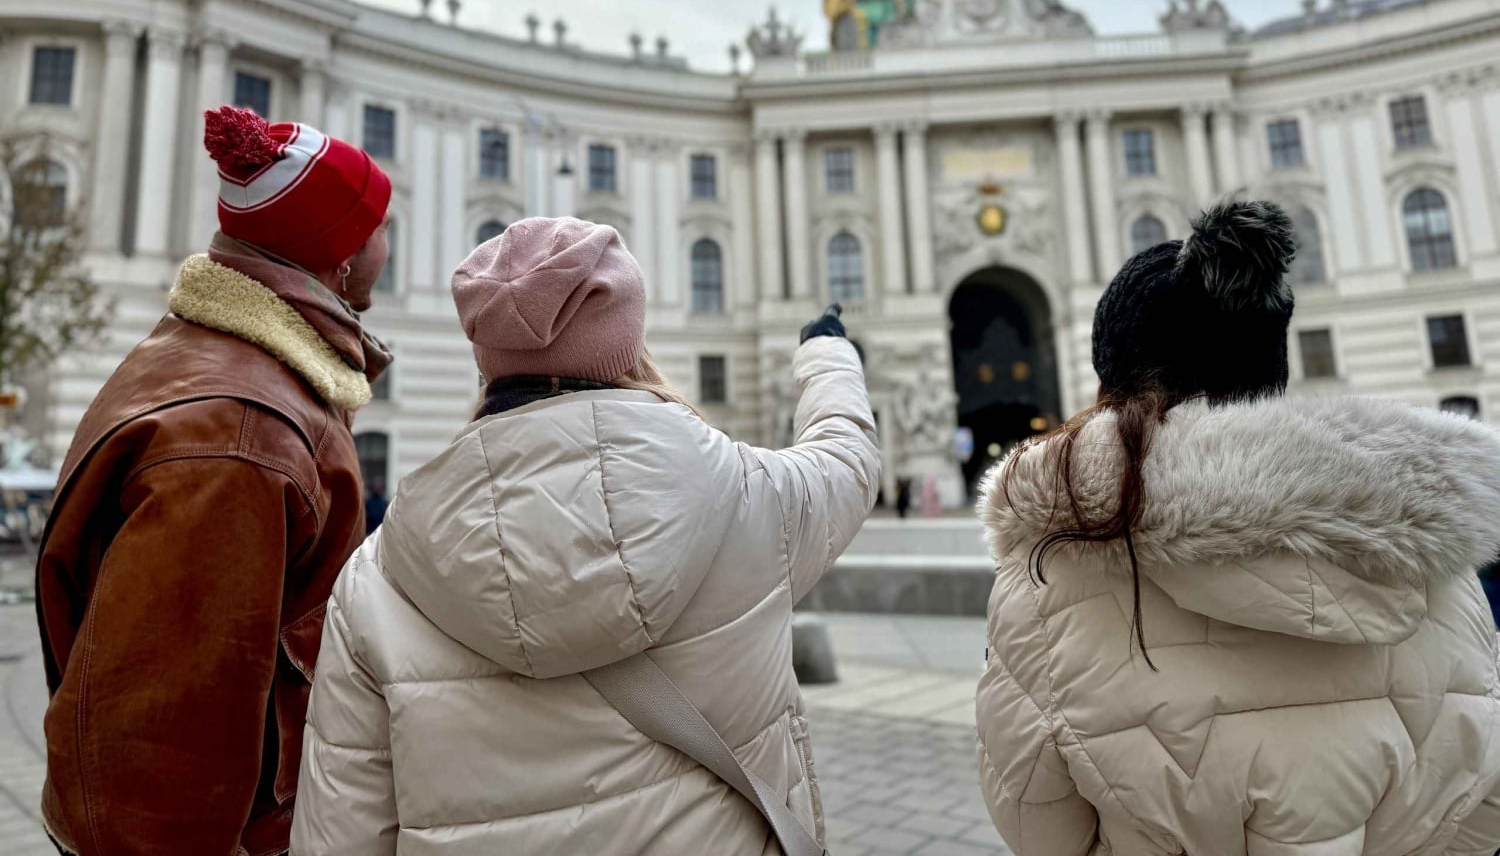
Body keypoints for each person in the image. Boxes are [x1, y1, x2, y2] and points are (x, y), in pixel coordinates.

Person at [291, 217, 880, 854]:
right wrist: (827, 355)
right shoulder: (752, 497)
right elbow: (847, 456)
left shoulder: (376, 578)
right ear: (627, 344)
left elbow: (339, 831)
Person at [975, 201, 1500, 856]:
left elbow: (1038, 825)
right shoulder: (1442, 563)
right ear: (1270, 370)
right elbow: (1483, 808)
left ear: (1113, 377)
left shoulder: (1048, 578)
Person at [35, 105, 392, 856]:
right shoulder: (242, 436)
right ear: (343, 256)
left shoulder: (228, 367)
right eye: (380, 224)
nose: (391, 242)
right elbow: (163, 748)